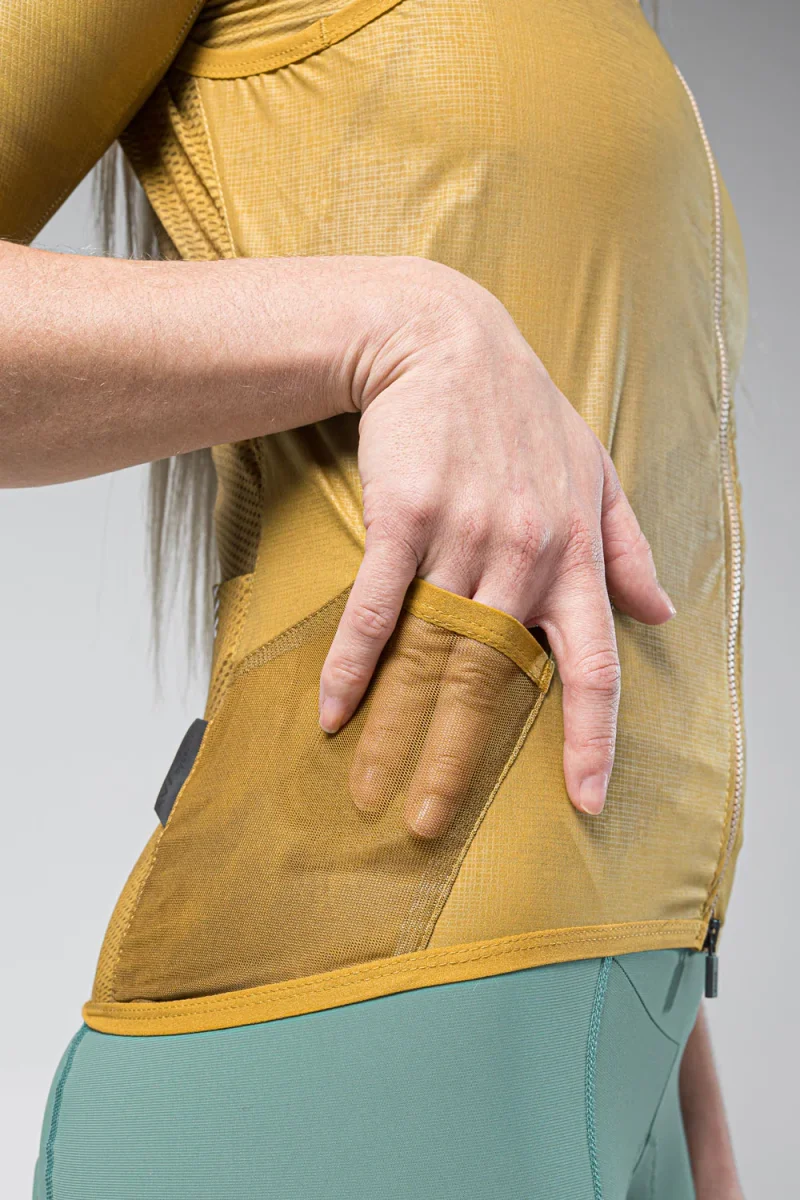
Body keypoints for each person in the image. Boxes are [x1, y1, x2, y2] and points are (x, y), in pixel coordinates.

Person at [1, 1, 746, 1197]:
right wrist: (397, 327)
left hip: (609, 1022)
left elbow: (591, 560)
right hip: (359, 1023)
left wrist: (666, 1068)